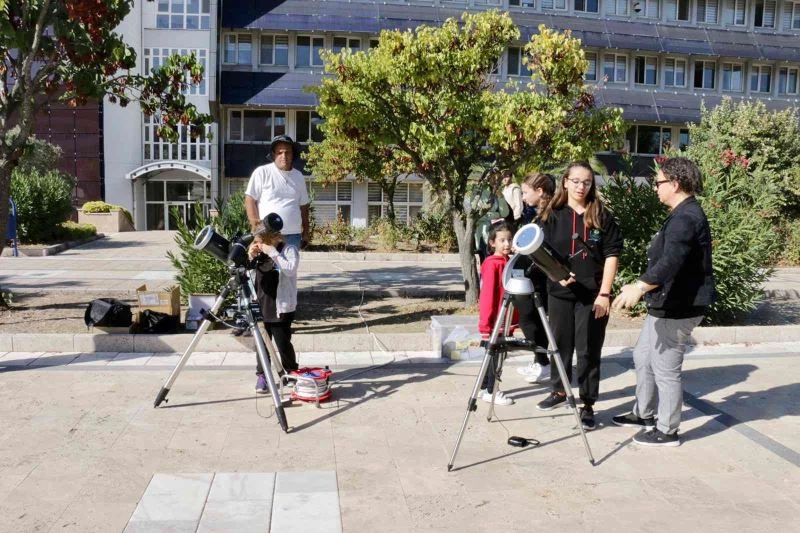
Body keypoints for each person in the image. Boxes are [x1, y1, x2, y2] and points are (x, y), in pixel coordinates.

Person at [611, 157, 715, 447]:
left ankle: (668, 430)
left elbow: (671, 262)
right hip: (665, 303)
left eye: (658, 182)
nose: (655, 187)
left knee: (666, 369)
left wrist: (640, 287)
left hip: (679, 306)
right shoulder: (681, 213)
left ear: (675, 184)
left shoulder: (686, 217)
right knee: (643, 356)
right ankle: (643, 414)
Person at [536, 162, 623, 431]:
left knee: (588, 350)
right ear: (565, 182)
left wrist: (605, 294)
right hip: (560, 294)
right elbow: (537, 251)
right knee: (560, 345)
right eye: (575, 181)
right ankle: (560, 390)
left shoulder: (601, 215)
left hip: (592, 297)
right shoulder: (551, 214)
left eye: (586, 182)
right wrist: (555, 274)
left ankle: (587, 403)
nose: (580, 186)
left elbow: (612, 255)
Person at [248, 222, 301, 393]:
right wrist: (250, 256)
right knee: (262, 345)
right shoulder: (259, 253)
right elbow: (248, 275)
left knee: (282, 343)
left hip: (281, 306)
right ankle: (263, 375)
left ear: (271, 238)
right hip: (261, 304)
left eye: (260, 241)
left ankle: (291, 372)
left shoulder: (288, 250)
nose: (258, 245)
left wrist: (272, 252)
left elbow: (290, 270)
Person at [515, 172, 556, 384]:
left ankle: (545, 363)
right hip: (535, 278)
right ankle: (540, 361)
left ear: (539, 191)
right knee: (530, 320)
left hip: (546, 279)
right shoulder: (539, 215)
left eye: (525, 192)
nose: (522, 197)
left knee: (535, 321)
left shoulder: (553, 216)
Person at [244, 135, 310, 251]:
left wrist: (306, 232)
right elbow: (250, 200)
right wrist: (257, 229)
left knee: (288, 269)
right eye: (279, 152)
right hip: (268, 236)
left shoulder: (299, 176)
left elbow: (304, 207)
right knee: (265, 269)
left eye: (287, 152)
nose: (283, 156)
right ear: (274, 155)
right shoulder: (262, 172)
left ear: (293, 154)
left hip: (293, 236)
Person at [478, 220, 517, 406]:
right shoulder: (492, 264)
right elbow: (487, 297)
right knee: (497, 356)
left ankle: (485, 386)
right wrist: (486, 325)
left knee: (493, 354)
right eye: (502, 240)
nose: (507, 244)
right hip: (496, 321)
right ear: (492, 242)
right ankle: (491, 390)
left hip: (505, 320)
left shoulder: (507, 261)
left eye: (509, 239)